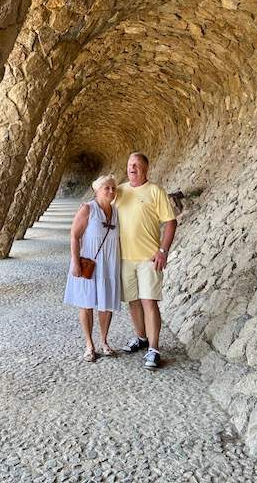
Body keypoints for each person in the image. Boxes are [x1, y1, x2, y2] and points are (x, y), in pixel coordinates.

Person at [116, 152, 176, 369]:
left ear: (146, 169)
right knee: (133, 301)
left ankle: (154, 348)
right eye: (130, 165)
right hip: (125, 257)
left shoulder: (155, 191)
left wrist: (163, 250)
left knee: (149, 301)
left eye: (137, 166)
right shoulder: (120, 191)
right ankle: (141, 338)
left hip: (149, 258)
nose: (132, 168)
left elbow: (170, 222)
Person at [64, 174, 122, 362]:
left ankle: (104, 341)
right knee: (86, 302)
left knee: (106, 304)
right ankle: (89, 345)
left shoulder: (116, 212)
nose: (111, 191)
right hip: (89, 263)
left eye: (113, 188)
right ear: (97, 190)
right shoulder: (88, 209)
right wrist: (75, 262)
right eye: (107, 188)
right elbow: (74, 235)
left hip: (109, 264)